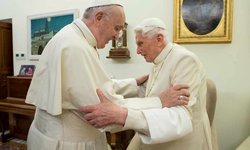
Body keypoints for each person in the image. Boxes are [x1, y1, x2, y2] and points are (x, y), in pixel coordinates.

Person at [25, 1, 189, 150]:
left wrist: (133, 83)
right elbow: (104, 112)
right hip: (68, 143)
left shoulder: (73, 37)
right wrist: (159, 101)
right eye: (117, 28)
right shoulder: (75, 47)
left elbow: (95, 85)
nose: (117, 35)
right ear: (98, 17)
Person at [80, 18, 214, 150]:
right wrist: (133, 88)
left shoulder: (184, 60)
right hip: (157, 134)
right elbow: (151, 95)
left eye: (140, 43)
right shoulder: (159, 60)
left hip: (182, 142)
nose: (137, 51)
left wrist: (123, 115)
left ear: (159, 39)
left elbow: (180, 116)